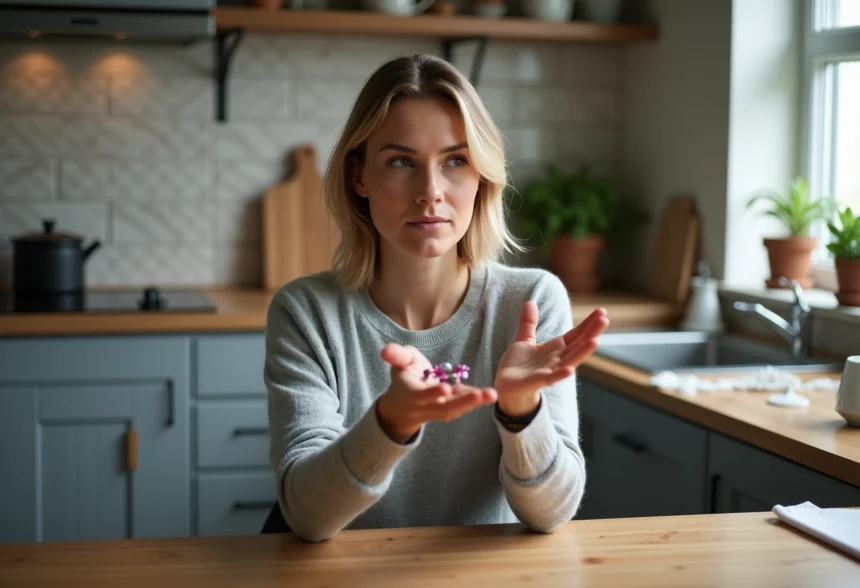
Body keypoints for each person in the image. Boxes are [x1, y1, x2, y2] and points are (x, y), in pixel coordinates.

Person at [263, 53, 609, 543]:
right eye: (401, 161)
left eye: (455, 161)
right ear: (359, 176)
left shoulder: (531, 301)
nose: (430, 192)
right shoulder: (306, 312)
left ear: (482, 175)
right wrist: (391, 423)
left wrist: (520, 409)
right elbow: (305, 515)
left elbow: (551, 514)